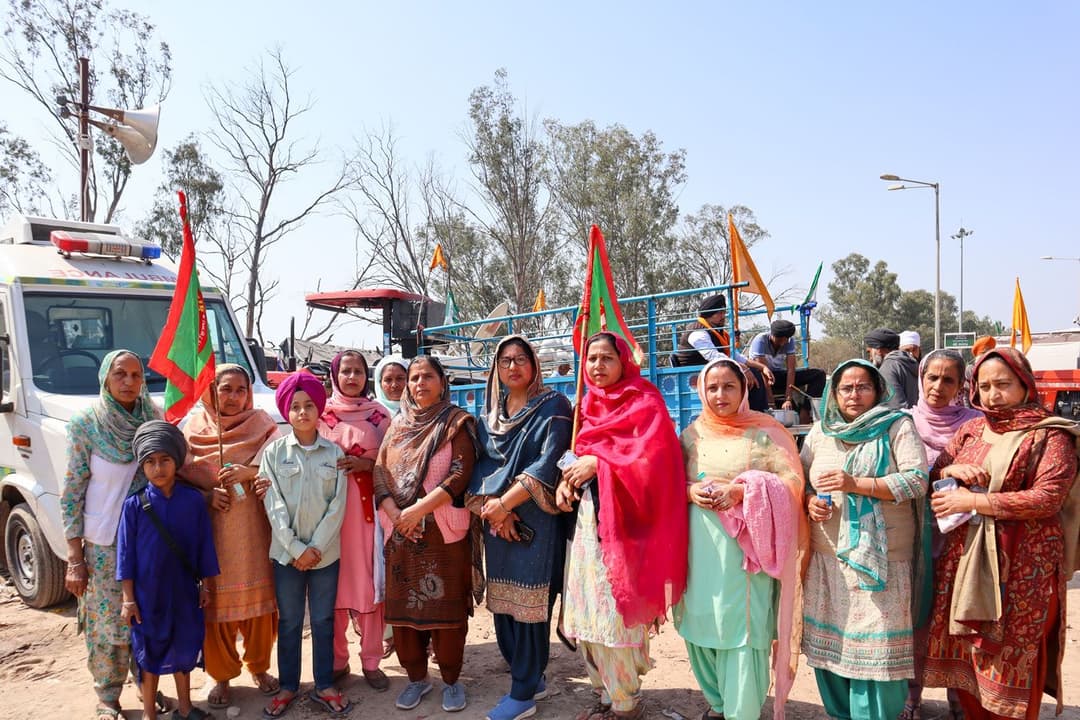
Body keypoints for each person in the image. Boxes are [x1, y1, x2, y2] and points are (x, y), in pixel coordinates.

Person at [923, 348, 1079, 720]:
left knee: (1013, 657)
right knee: (971, 657)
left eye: (1003, 384)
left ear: (1025, 384)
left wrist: (974, 503)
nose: (993, 394)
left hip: (1025, 569)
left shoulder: (1050, 434)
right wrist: (954, 469)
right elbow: (936, 477)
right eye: (985, 385)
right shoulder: (973, 429)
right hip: (965, 563)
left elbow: (1047, 498)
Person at [557, 332, 688, 720]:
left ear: (623, 361)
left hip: (628, 529)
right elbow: (575, 458)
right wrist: (567, 481)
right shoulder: (587, 406)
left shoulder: (644, 401)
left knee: (616, 613)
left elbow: (657, 463)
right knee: (587, 613)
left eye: (606, 359)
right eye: (591, 359)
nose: (597, 367)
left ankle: (625, 703)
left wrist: (601, 465)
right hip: (587, 526)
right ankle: (603, 696)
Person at [675, 358, 808, 720]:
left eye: (729, 386)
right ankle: (719, 706)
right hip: (699, 553)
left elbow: (793, 484)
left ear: (744, 390)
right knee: (701, 627)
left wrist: (743, 491)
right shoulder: (691, 435)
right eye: (713, 387)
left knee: (743, 634)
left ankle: (742, 712)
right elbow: (667, 484)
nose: (720, 395)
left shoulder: (764, 432)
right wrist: (690, 492)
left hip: (747, 553)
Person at [801, 359, 929, 720]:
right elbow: (804, 480)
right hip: (827, 560)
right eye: (846, 388)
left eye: (863, 387)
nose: (854, 395)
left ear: (878, 391)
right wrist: (811, 501)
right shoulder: (820, 431)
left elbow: (916, 481)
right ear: (833, 393)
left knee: (880, 653)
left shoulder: (896, 426)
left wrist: (855, 485)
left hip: (882, 562)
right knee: (834, 651)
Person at [468, 336, 573, 720]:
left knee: (531, 607)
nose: (513, 367)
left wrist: (505, 505)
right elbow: (481, 467)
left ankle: (523, 693)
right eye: (505, 360)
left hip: (537, 520)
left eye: (521, 359)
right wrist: (496, 512)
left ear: (534, 365)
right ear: (496, 368)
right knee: (504, 609)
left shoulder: (554, 406)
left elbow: (548, 464)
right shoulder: (488, 418)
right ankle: (531, 677)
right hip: (499, 523)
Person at [61, 350, 164, 719]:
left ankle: (146, 683)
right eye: (121, 374)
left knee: (147, 615)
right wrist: (75, 559)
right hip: (104, 543)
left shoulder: (153, 417)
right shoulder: (87, 424)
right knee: (108, 623)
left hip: (150, 540)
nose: (129, 382)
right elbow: (71, 491)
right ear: (106, 377)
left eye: (137, 375)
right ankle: (107, 696)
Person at [374, 356, 478, 714]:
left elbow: (459, 474)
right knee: (404, 616)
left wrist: (418, 511)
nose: (419, 383)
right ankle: (417, 678)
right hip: (401, 535)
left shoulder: (456, 423)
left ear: (442, 382)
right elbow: (380, 473)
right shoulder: (398, 426)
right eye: (414, 378)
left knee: (446, 615)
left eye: (427, 377)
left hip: (442, 534)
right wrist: (396, 514)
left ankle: (451, 679)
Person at [180, 364, 282, 708]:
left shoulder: (263, 425)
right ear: (211, 391)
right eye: (226, 389)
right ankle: (221, 676)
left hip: (255, 533)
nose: (234, 397)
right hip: (214, 535)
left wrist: (249, 471)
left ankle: (259, 667)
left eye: (241, 390)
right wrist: (207, 495)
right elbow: (177, 480)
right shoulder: (193, 429)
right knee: (216, 608)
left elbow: (282, 465)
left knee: (260, 610)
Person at [260, 372, 351, 717]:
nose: (301, 412)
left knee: (325, 620)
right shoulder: (274, 453)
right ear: (286, 411)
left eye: (308, 405)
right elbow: (274, 505)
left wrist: (315, 548)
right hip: (286, 557)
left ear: (319, 408)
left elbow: (337, 506)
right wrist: (298, 550)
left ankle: (325, 684)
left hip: (325, 556)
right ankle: (287, 686)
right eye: (295, 406)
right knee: (290, 622)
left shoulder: (334, 452)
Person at [118, 420, 220, 720]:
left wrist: (207, 586)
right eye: (150, 462)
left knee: (184, 647)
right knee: (148, 654)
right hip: (148, 596)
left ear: (176, 462)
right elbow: (125, 556)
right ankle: (150, 714)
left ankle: (186, 708)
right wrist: (128, 598)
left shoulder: (192, 501)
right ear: (142, 466)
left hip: (185, 590)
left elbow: (204, 547)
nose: (158, 468)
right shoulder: (134, 505)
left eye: (165, 460)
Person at [902, 350, 982, 720]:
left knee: (957, 618)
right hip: (914, 534)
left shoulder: (978, 424)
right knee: (916, 616)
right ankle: (911, 699)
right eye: (931, 377)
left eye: (948, 379)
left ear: (961, 386)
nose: (938, 386)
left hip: (962, 539)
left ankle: (958, 700)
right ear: (920, 378)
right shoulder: (903, 422)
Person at [318, 351, 392, 691]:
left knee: (369, 589)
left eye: (358, 371)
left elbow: (396, 461)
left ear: (366, 376)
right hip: (328, 519)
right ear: (335, 375)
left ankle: (372, 661)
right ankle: (337, 662)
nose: (352, 377)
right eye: (345, 371)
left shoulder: (380, 416)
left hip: (367, 517)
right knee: (332, 592)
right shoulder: (321, 414)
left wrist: (368, 466)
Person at [671, 294, 774, 412]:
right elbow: (713, 356)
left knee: (755, 372)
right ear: (708, 314)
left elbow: (734, 355)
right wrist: (743, 369)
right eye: (719, 313)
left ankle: (756, 413)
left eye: (723, 312)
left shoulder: (718, 331)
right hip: (696, 374)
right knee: (745, 375)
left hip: (714, 371)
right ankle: (754, 413)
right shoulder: (698, 332)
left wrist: (762, 367)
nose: (723, 316)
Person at [748, 318, 826, 415]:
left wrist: (788, 398)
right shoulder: (760, 340)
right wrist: (771, 401)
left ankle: (806, 412)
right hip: (761, 378)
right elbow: (763, 372)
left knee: (819, 374)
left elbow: (791, 370)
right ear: (772, 335)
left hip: (777, 376)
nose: (783, 343)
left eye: (786, 339)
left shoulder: (789, 341)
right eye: (780, 339)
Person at [865, 328, 918, 409]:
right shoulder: (911, 362)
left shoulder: (888, 367)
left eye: (869, 352)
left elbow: (896, 407)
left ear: (878, 350)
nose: (870, 358)